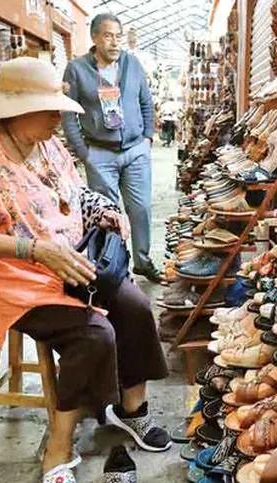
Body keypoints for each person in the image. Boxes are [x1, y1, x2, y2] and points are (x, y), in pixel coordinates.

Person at [0, 57, 170, 483]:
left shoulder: (48, 145)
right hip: (15, 279)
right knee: (94, 333)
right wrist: (35, 250)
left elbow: (72, 193)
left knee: (135, 306)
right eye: (50, 110)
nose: (58, 119)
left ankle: (132, 410)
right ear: (17, 111)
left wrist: (103, 209)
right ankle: (58, 448)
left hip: (71, 263)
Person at [61, 13, 162, 282]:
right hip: (99, 153)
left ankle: (143, 261)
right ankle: (115, 265)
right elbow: (68, 114)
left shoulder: (132, 64)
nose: (115, 42)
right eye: (108, 36)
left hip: (135, 150)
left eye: (118, 36)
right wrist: (84, 152)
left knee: (140, 209)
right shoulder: (76, 69)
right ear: (95, 37)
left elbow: (146, 102)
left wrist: (147, 138)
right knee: (108, 213)